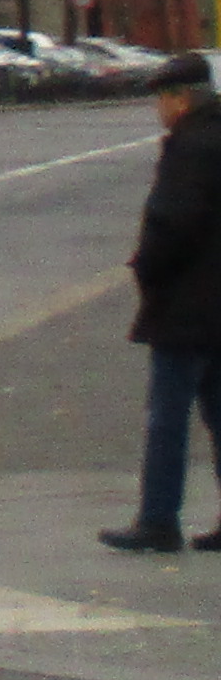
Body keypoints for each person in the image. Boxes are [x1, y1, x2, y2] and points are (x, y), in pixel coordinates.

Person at [99, 52, 221, 556]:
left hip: (187, 304)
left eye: (161, 99)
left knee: (166, 415)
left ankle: (157, 520)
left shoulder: (190, 146)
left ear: (178, 98)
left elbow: (172, 221)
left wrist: (146, 268)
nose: (158, 109)